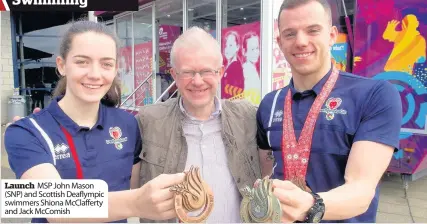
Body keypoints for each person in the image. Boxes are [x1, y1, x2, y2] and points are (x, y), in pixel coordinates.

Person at [4, 20, 185, 223]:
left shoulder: (127, 124)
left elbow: (135, 184)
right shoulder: (26, 132)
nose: (95, 74)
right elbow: (56, 210)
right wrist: (137, 203)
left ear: (115, 69)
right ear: (62, 66)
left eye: (106, 64)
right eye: (82, 62)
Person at [256, 0, 402, 223]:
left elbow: (362, 189)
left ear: (332, 35)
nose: (301, 42)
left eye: (313, 30)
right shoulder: (269, 104)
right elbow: (267, 172)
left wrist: (311, 206)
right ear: (279, 42)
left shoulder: (374, 95)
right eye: (290, 34)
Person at [135, 26, 262, 223]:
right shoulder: (148, 121)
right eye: (187, 72)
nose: (197, 81)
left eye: (206, 71)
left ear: (220, 72)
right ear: (174, 75)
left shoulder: (247, 118)